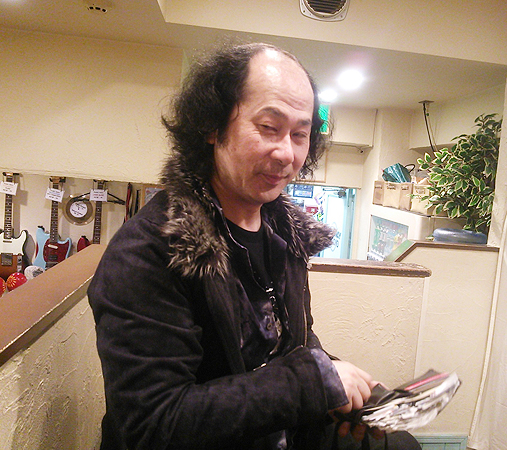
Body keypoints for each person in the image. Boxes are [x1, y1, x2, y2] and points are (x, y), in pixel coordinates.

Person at [88, 42, 408, 450]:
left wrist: (338, 384)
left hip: (284, 430)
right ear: (211, 126)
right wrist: (311, 382)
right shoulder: (148, 252)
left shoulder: (284, 232)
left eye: (300, 134)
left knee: (400, 443)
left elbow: (290, 343)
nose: (286, 153)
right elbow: (153, 424)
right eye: (269, 127)